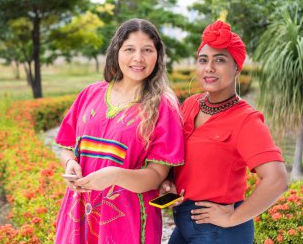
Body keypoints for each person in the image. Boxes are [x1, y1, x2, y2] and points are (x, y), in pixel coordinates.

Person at [54, 18, 184, 244]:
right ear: (116, 51)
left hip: (128, 220)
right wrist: (70, 163)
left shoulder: (163, 106)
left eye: (147, 50)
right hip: (78, 212)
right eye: (130, 49)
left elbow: (155, 177)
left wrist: (114, 176)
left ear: (158, 55)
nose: (138, 58)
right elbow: (66, 147)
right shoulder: (90, 94)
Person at [162, 20, 289, 244]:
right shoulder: (191, 104)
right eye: (203, 60)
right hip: (184, 224)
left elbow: (277, 179)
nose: (209, 67)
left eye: (219, 60)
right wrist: (170, 181)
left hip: (219, 232)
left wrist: (232, 218)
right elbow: (181, 157)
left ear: (237, 68)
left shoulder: (246, 120)